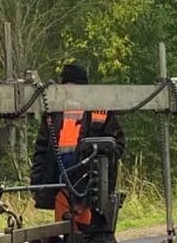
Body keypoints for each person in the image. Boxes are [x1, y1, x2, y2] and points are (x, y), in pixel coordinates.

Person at [31, 63, 125, 224]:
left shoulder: (99, 110)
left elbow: (118, 145)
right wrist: (37, 185)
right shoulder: (53, 112)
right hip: (61, 188)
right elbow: (41, 150)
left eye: (72, 87)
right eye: (65, 87)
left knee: (87, 235)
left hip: (89, 190)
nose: (68, 91)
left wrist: (100, 156)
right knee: (65, 234)